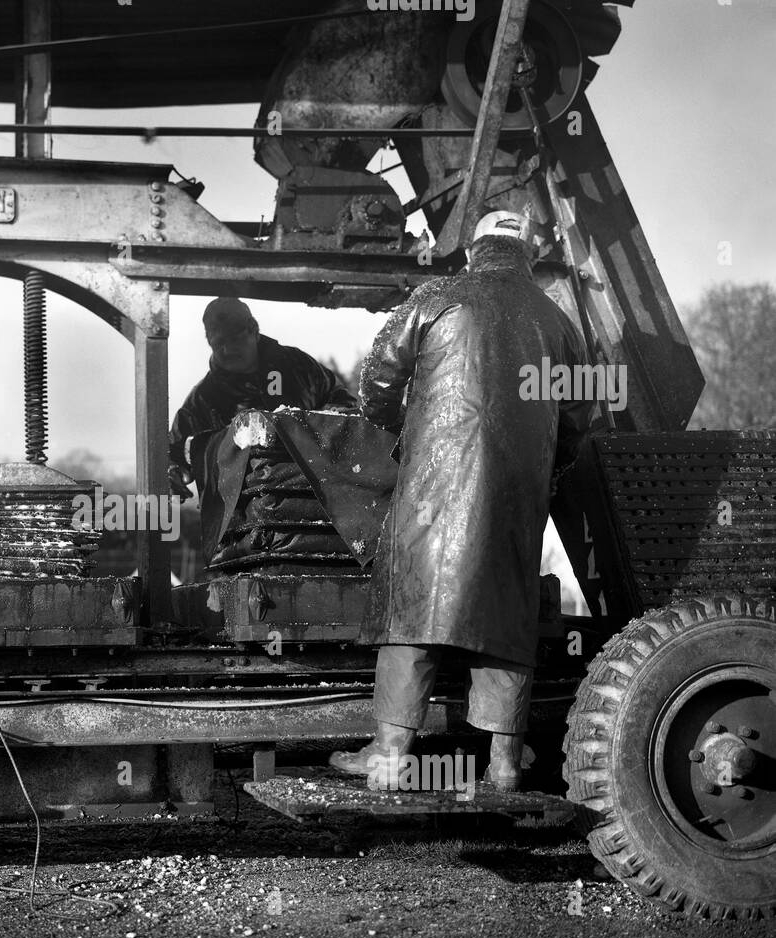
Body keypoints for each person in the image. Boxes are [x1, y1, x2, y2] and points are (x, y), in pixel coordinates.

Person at [330, 211, 596, 791]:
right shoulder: (560, 324)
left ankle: (390, 758)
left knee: (414, 612)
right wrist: (548, 461)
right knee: (505, 616)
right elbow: (578, 417)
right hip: (516, 494)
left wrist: (409, 427)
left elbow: (377, 380)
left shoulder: (436, 297)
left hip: (433, 485)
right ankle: (503, 765)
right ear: (526, 255)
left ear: (474, 251)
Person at [168, 297, 356, 496]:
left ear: (253, 329)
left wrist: (327, 421)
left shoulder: (297, 367)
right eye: (219, 343)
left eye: (234, 339)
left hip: (312, 494)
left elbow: (343, 405)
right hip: (244, 507)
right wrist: (173, 471)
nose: (228, 350)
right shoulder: (203, 399)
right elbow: (176, 453)